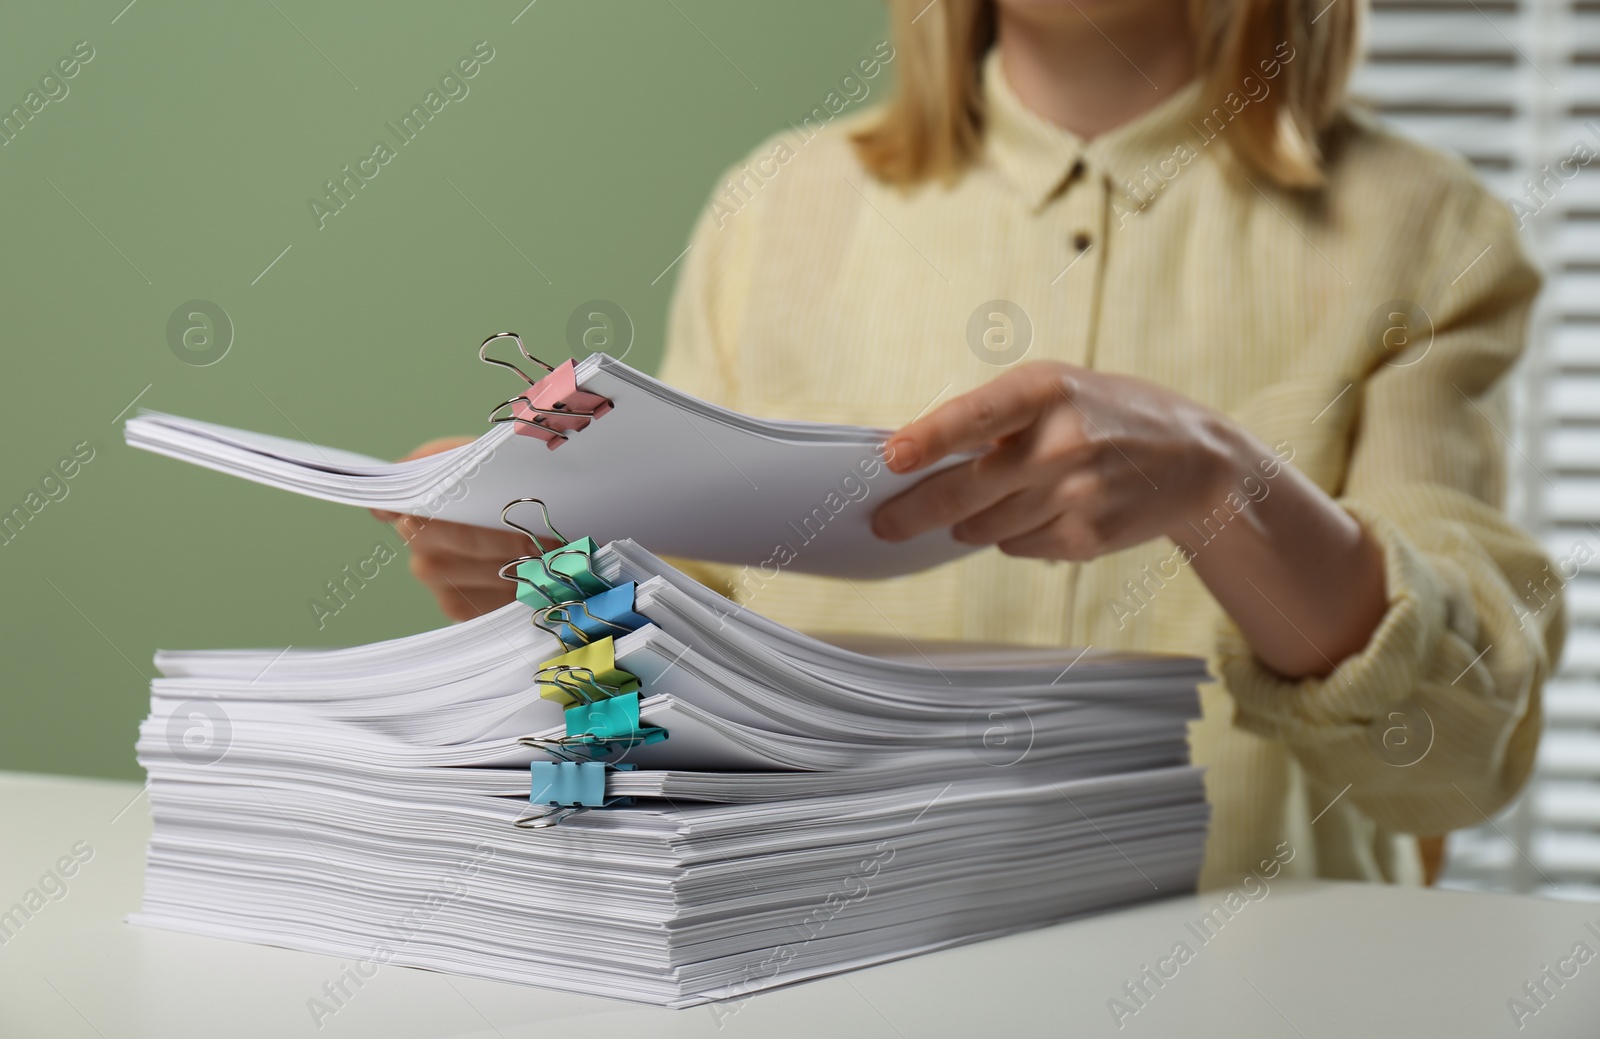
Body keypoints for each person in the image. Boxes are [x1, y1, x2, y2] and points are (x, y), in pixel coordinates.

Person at [379, 0, 1563, 890]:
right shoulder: (774, 211)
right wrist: (547, 583)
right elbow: (687, 669)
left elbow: (1455, 758)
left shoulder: (1427, 228)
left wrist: (1224, 488)